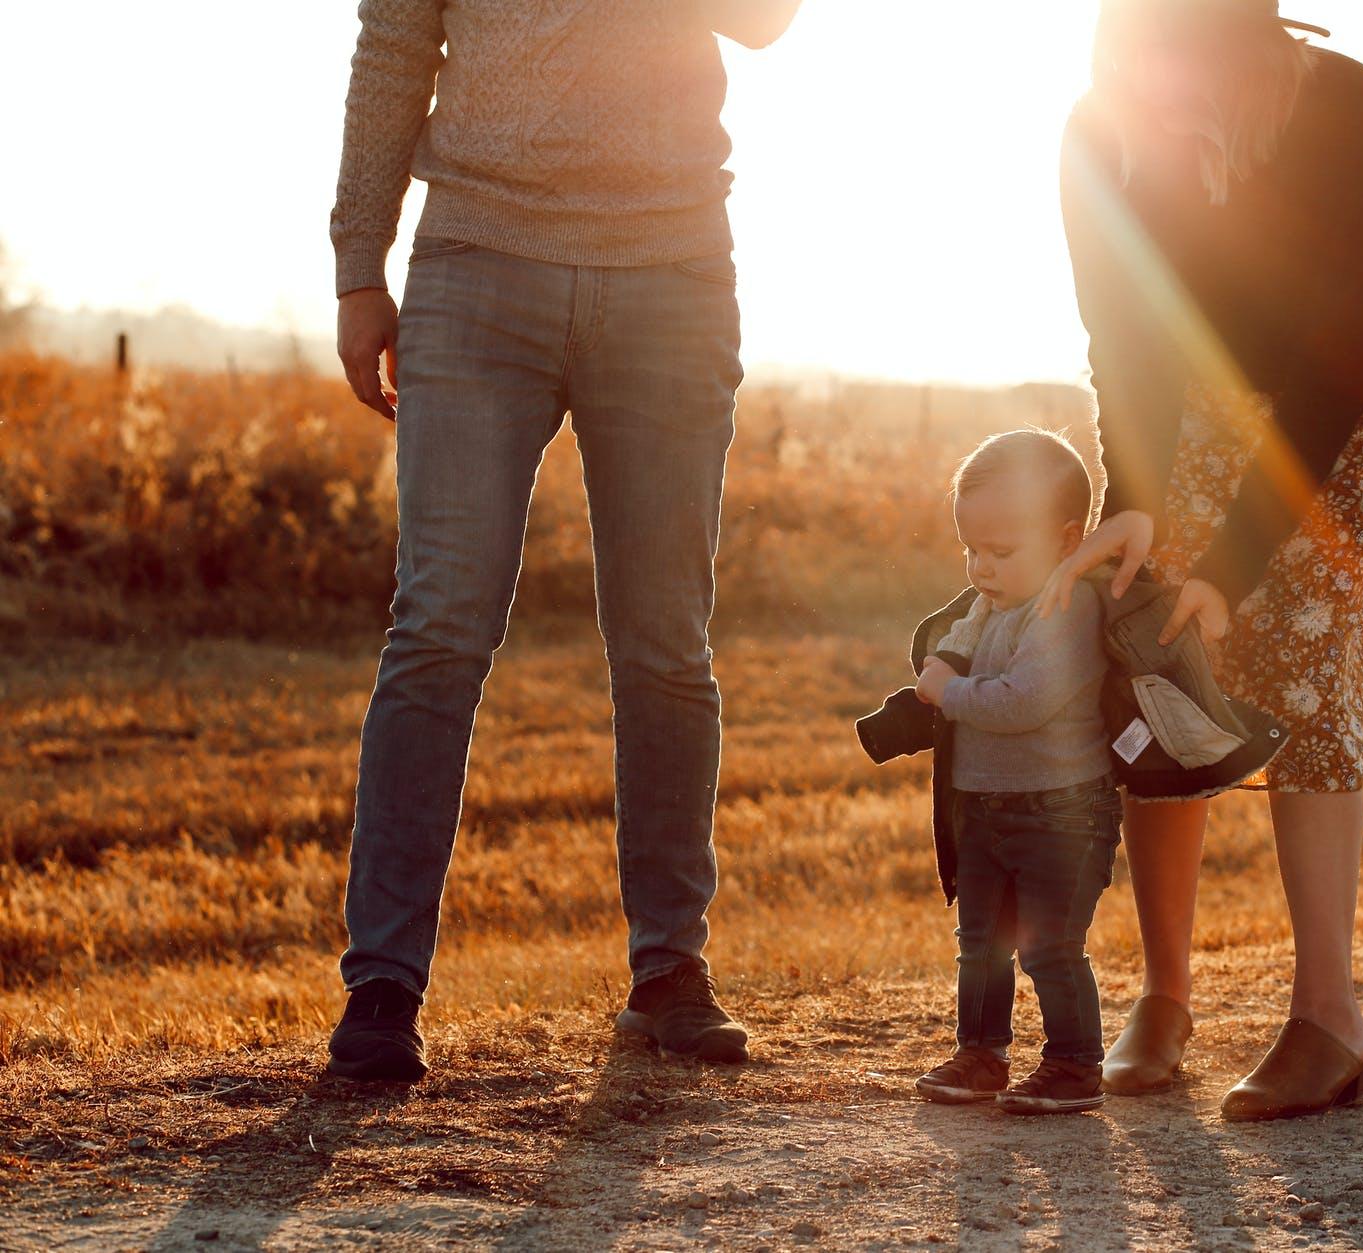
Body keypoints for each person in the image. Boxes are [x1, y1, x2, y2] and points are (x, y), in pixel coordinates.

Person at [324, 0, 803, 1083]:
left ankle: (670, 968)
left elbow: (768, 21)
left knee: (664, 640)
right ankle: (383, 985)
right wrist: (361, 263)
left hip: (671, 272)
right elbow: (395, 43)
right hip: (477, 262)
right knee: (439, 624)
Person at [1041, 0, 1363, 1120]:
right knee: (1152, 632)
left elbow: (1331, 378)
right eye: (1129, 63)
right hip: (1209, 373)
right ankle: (1166, 994)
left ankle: (1327, 1017)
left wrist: (1229, 567)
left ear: (1244, 50)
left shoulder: (1354, 117)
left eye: (1173, 64)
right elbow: (1122, 333)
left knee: (1304, 631)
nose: (1150, 92)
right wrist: (1135, 502)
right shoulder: (1096, 132)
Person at [898, 431, 1125, 1115]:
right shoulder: (989, 604)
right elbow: (956, 650)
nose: (981, 568)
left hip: (1061, 811)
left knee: (1050, 946)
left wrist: (948, 694)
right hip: (987, 809)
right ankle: (981, 1053)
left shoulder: (1067, 607)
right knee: (982, 945)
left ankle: (1073, 1064)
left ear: (1064, 539)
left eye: (1000, 552)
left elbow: (1025, 701)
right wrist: (938, 668)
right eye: (971, 550)